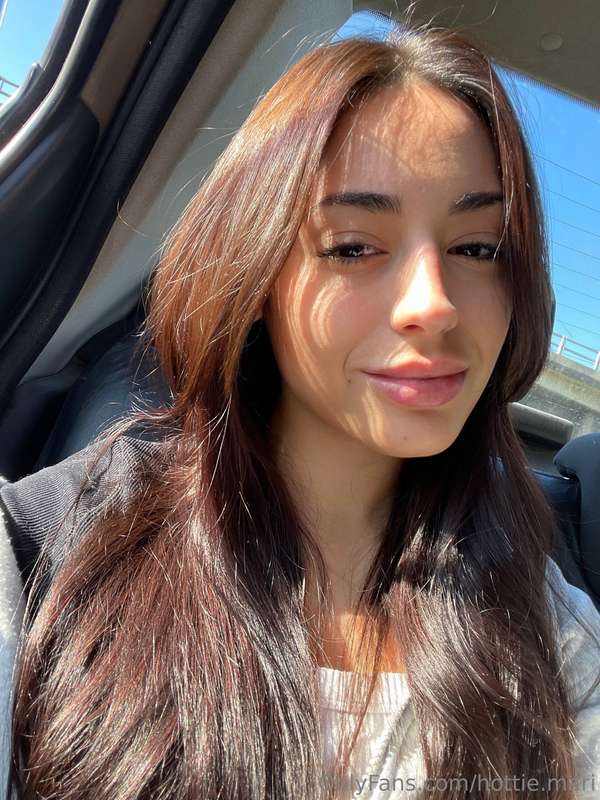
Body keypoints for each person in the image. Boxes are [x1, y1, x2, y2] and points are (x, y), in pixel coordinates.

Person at [1, 11, 599, 800]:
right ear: (258, 276)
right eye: (353, 246)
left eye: (478, 248)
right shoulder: (44, 550)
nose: (435, 304)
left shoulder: (552, 631)